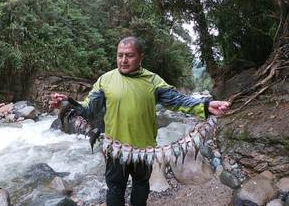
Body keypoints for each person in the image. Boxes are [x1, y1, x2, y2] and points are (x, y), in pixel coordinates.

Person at [49, 36, 230, 206]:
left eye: (129, 55)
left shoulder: (153, 81)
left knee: (141, 186)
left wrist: (206, 106)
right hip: (115, 148)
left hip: (145, 149)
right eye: (120, 55)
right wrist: (68, 104)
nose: (123, 60)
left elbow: (178, 101)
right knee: (114, 187)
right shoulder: (106, 80)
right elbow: (88, 109)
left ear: (140, 57)